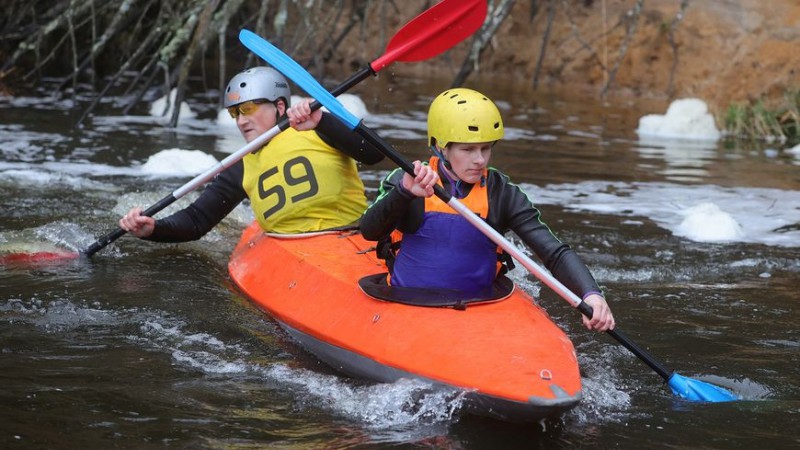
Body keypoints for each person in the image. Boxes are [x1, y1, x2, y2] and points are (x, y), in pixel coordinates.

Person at [359, 88, 615, 332]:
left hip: (478, 308)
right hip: (407, 301)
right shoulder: (408, 180)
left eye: (486, 148)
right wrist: (403, 193)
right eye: (468, 149)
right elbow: (369, 231)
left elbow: (553, 253)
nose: (479, 159)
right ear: (440, 147)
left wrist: (591, 294)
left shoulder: (501, 192)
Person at [119, 66, 383, 240]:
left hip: (351, 234)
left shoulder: (318, 128)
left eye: (247, 109)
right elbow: (198, 219)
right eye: (235, 113)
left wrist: (324, 121)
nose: (240, 121)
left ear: (279, 106)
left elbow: (373, 154)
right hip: (290, 244)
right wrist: (153, 229)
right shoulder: (241, 164)